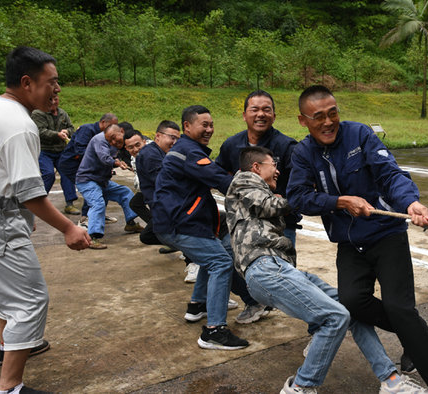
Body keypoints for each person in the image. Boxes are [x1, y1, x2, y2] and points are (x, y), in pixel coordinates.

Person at [287, 85, 428, 394]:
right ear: (303, 121)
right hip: (349, 243)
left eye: (333, 113)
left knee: (399, 309)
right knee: (352, 302)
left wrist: (411, 203)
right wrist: (340, 202)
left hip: (386, 234)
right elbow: (297, 197)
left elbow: (389, 173)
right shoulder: (303, 153)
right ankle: (416, 333)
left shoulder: (360, 134)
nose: (328, 122)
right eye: (318, 117)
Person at [226, 146, 422, 394]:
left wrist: (313, 198)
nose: (277, 170)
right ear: (256, 167)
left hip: (280, 269)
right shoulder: (244, 180)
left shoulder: (258, 191)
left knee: (350, 310)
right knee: (335, 318)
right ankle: (301, 387)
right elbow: (273, 205)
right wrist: (312, 197)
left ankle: (391, 381)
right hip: (265, 267)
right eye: (273, 165)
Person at [0, 46, 90, 394]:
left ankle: (7, 347)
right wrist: (69, 227)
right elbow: (30, 192)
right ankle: (9, 388)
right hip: (0, 224)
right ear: (27, 82)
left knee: (8, 292)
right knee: (30, 299)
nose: (57, 90)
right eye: (52, 82)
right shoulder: (21, 125)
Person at [152, 105, 248, 350]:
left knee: (212, 255)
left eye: (211, 125)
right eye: (204, 125)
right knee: (221, 262)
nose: (209, 129)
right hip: (180, 223)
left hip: (177, 221)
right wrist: (257, 187)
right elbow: (220, 179)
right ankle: (214, 331)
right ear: (187, 126)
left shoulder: (186, 149)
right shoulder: (189, 152)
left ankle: (198, 305)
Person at [216, 90, 300, 246]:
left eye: (266, 110)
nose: (261, 114)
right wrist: (239, 193)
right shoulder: (231, 145)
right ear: (244, 115)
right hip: (242, 224)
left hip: (280, 225)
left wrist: (282, 201)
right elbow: (219, 173)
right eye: (254, 109)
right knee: (229, 258)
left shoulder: (287, 146)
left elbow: (300, 181)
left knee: (278, 261)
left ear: (274, 116)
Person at [75, 124, 143, 249]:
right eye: (110, 140)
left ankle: (131, 223)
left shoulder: (120, 142)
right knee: (98, 204)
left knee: (125, 192)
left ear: (121, 131)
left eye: (114, 139)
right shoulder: (100, 139)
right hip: (87, 180)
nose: (113, 142)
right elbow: (104, 158)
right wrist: (117, 162)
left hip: (102, 181)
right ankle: (92, 237)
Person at [57, 112, 119, 227]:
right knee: (91, 186)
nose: (113, 129)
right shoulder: (87, 130)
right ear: (103, 122)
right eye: (111, 126)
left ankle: (98, 215)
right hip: (72, 165)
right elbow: (80, 150)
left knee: (101, 183)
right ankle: (85, 218)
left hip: (87, 166)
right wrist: (102, 160)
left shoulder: (105, 136)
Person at [31, 95, 79, 215]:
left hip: (61, 151)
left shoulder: (63, 113)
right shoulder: (38, 113)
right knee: (49, 174)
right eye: (50, 99)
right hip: (44, 150)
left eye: (55, 99)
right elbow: (40, 131)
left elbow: (71, 128)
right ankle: (38, 202)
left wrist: (67, 131)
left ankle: (70, 204)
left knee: (67, 173)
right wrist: (57, 134)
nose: (53, 102)